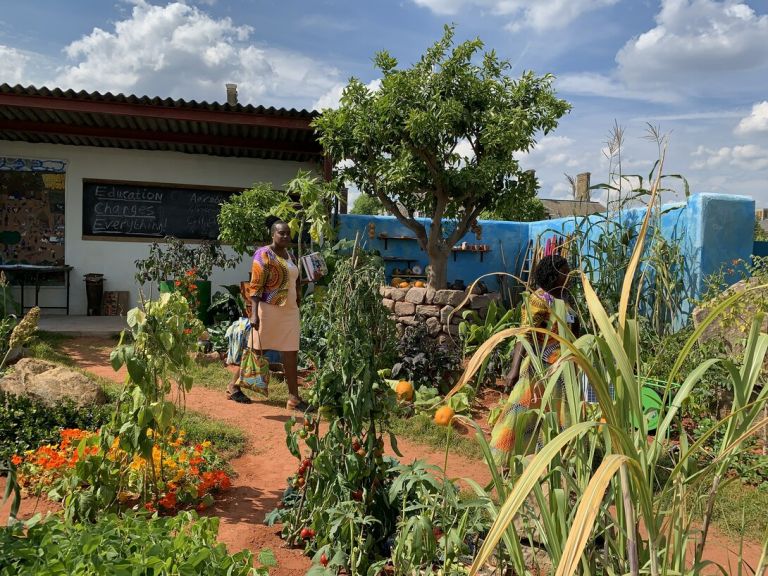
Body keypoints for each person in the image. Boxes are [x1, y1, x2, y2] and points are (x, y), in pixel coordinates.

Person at [489, 254, 579, 463]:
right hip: (540, 366)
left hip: (563, 367)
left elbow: (575, 331)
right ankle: (505, 457)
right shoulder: (540, 299)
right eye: (565, 272)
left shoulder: (565, 298)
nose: (569, 275)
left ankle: (551, 459)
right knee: (523, 411)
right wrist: (514, 369)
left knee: (558, 414)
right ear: (553, 275)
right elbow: (525, 334)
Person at [246, 218, 310, 411]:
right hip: (268, 309)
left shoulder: (289, 255)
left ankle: (293, 398)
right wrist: (254, 314)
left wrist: (309, 279)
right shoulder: (263, 253)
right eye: (281, 232)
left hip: (290, 311)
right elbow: (256, 285)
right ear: (272, 234)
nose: (285, 236)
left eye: (287, 233)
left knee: (291, 352)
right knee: (257, 350)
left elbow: (291, 282)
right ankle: (233, 386)